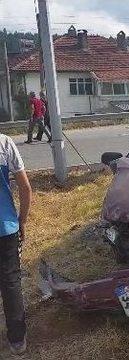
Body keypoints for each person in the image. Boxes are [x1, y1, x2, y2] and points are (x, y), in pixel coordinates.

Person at [0, 133, 32, 354]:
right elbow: (25, 187)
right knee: (11, 282)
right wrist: (22, 220)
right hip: (5, 227)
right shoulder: (4, 142)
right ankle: (17, 340)